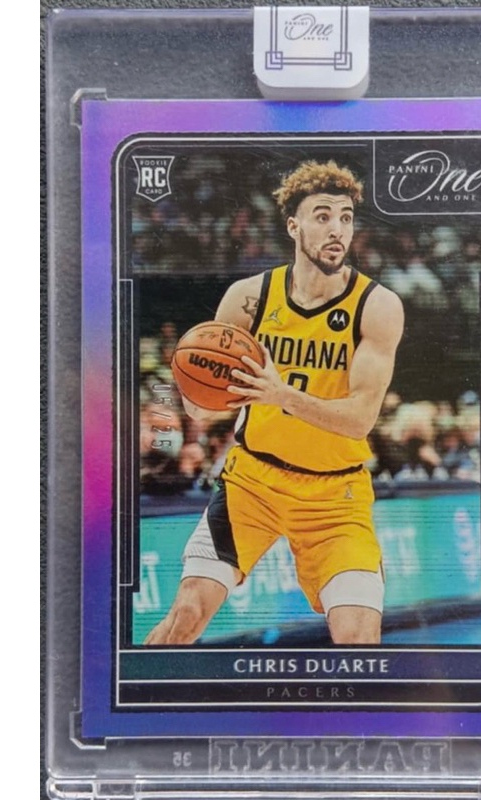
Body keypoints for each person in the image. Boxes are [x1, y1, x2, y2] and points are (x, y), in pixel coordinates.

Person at [144, 160, 404, 646]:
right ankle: (135, 691)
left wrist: (279, 394)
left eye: (346, 217)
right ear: (293, 226)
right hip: (252, 484)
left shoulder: (377, 306)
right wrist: (197, 403)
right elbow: (207, 400)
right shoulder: (248, 297)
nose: (337, 229)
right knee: (186, 615)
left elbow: (360, 419)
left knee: (359, 639)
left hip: (335, 497)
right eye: (322, 216)